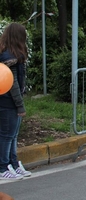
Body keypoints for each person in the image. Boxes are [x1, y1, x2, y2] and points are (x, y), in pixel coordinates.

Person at [0, 23, 32, 180]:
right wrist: (20, 105)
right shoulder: (10, 57)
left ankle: (12, 163)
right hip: (8, 102)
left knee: (12, 135)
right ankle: (3, 167)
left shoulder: (9, 55)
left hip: (7, 101)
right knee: (7, 135)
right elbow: (13, 84)